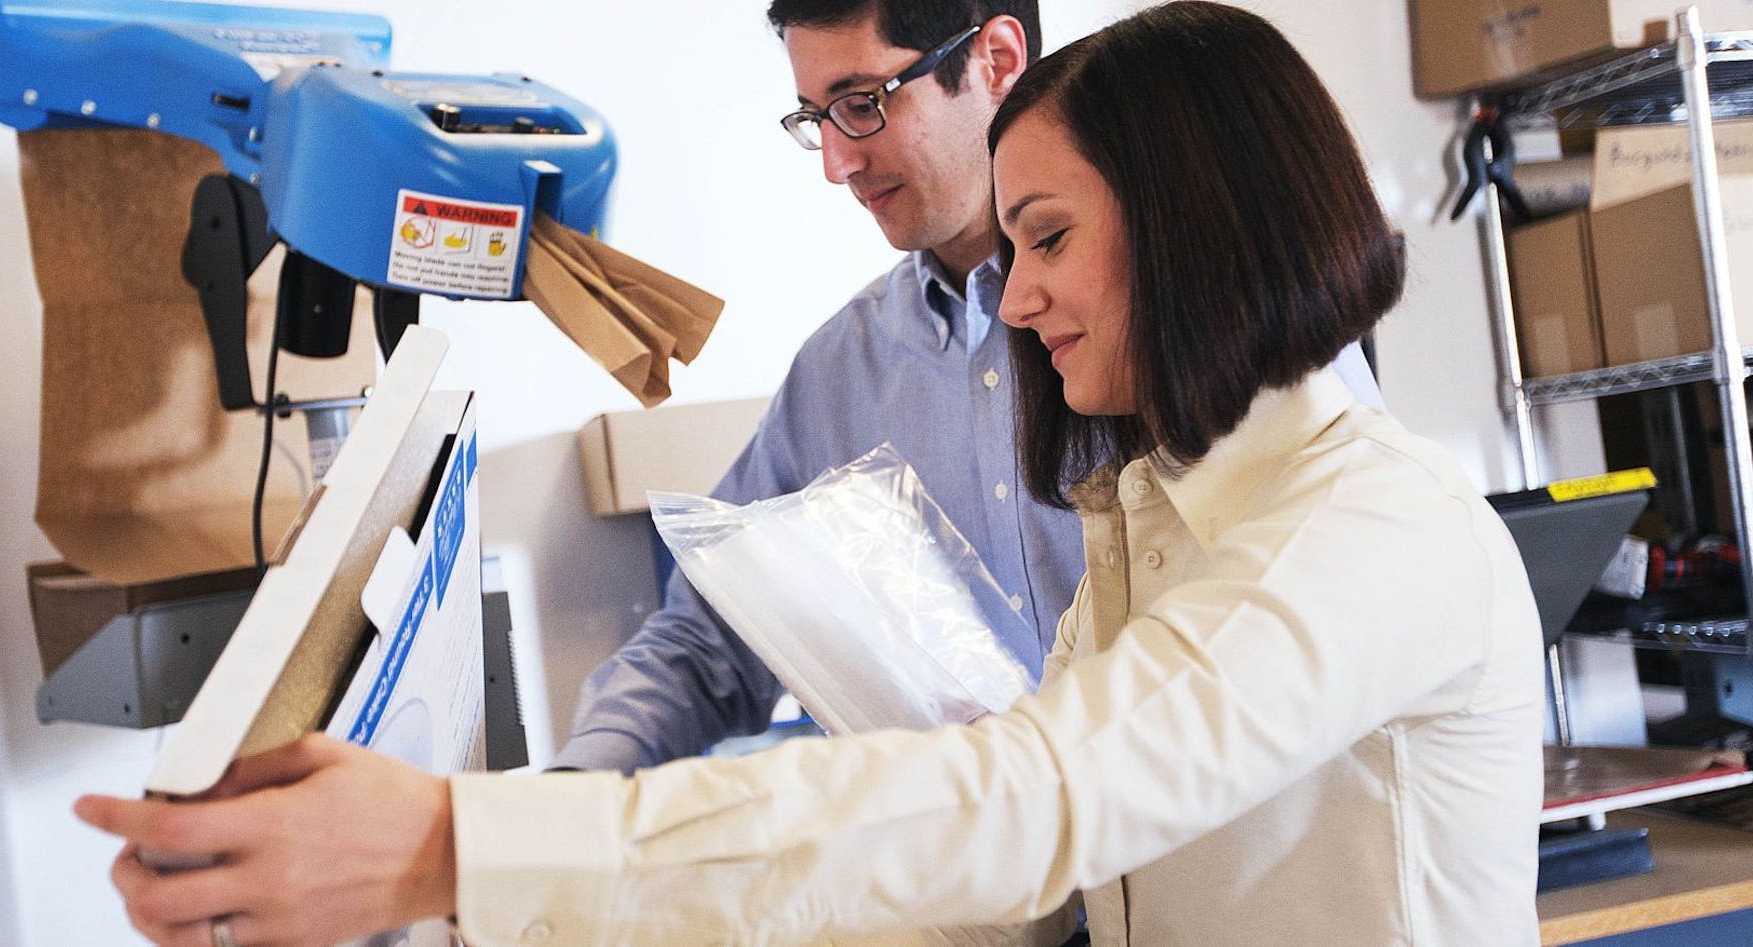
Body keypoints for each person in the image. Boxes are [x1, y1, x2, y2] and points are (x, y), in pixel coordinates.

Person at [77, 4, 1542, 946]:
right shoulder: (1142, 503)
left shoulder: (1369, 529)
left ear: (1196, 229)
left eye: (1050, 239)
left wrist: (462, 848)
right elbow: (1027, 861)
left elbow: (1033, 795)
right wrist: (560, 874)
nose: (1022, 297)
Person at [556, 0, 1379, 778]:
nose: (838, 163)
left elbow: (1332, 593)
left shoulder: (1203, 320)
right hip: (990, 857)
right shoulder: (840, 374)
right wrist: (572, 788)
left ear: (997, 60)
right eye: (816, 118)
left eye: (862, 104)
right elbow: (709, 638)